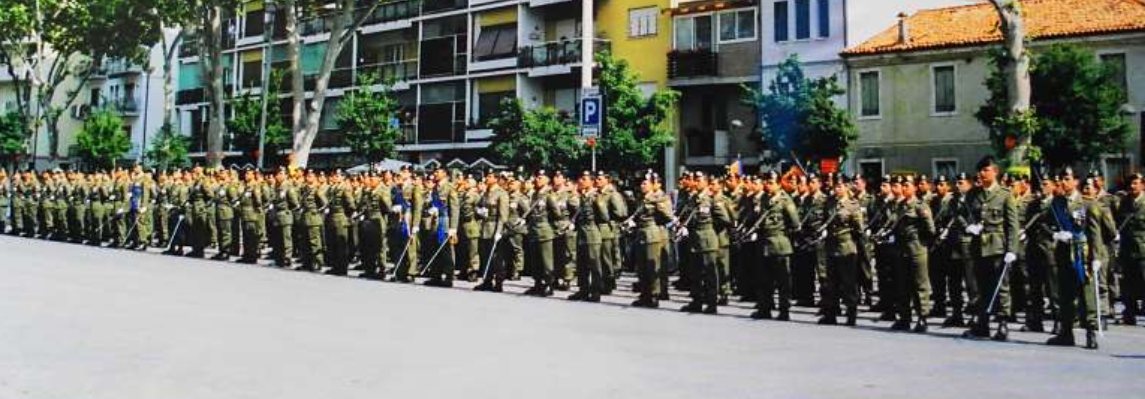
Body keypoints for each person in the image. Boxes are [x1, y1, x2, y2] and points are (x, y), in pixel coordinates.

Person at [962, 156, 1020, 342]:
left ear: (995, 171)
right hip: (978, 246)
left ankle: (1002, 323)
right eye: (980, 170)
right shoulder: (973, 194)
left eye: (985, 170)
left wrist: (1012, 249)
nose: (981, 173)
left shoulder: (1004, 194)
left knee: (1001, 287)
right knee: (981, 286)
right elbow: (963, 215)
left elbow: (1012, 225)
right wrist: (968, 226)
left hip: (997, 246)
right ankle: (983, 323)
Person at [751, 171, 801, 320]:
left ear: (779, 183)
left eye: (771, 182)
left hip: (779, 243)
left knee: (783, 280)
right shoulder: (764, 198)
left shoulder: (785, 199)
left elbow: (795, 223)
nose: (767, 185)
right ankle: (764, 308)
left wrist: (784, 233)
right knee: (763, 279)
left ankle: (784, 310)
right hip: (764, 243)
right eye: (766, 182)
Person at [628, 171, 674, 308]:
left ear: (653, 185)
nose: (642, 185)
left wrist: (657, 204)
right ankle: (644, 294)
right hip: (641, 233)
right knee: (641, 267)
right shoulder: (642, 198)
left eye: (645, 183)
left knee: (652, 266)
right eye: (641, 183)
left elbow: (668, 216)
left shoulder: (660, 198)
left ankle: (654, 294)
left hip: (653, 233)